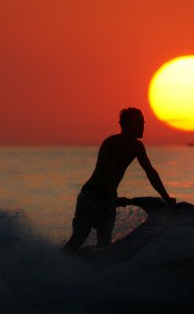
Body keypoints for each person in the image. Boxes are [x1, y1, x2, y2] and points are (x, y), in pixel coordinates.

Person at [64, 107, 175, 251]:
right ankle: (58, 262)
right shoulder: (111, 143)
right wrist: (114, 198)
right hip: (92, 196)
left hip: (108, 198)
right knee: (80, 237)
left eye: (143, 123)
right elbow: (109, 173)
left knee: (104, 243)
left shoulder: (137, 146)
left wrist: (166, 198)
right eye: (139, 123)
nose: (143, 126)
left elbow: (150, 172)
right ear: (126, 125)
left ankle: (95, 269)